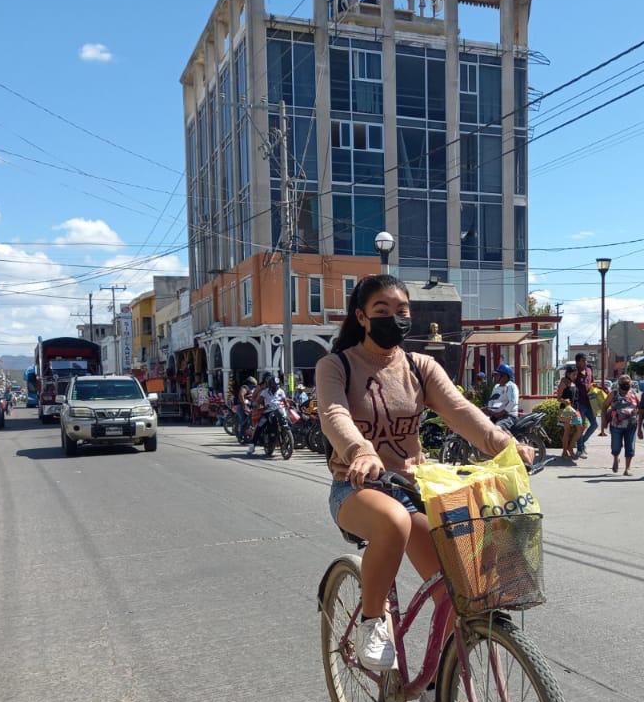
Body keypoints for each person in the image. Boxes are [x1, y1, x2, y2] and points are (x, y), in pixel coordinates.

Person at [316, 274, 535, 676]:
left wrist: (505, 445)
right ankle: (371, 623)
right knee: (393, 522)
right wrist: (361, 452)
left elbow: (463, 412)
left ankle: (444, 693)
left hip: (413, 487)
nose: (394, 319)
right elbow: (334, 415)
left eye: (401, 311)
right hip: (356, 485)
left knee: (458, 591)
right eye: (381, 311)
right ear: (361, 317)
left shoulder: (420, 367)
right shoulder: (337, 366)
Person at [602, 374, 640, 476]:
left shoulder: (634, 394)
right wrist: (603, 423)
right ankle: (615, 458)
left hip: (631, 426)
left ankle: (627, 468)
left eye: (627, 383)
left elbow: (641, 408)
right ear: (619, 384)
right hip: (616, 426)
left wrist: (638, 417)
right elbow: (604, 406)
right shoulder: (613, 394)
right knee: (615, 447)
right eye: (623, 383)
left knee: (630, 447)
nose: (625, 385)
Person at [246, 373, 287, 457]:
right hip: (268, 412)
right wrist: (258, 405)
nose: (275, 387)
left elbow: (285, 401)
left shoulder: (281, 391)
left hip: (280, 411)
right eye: (273, 386)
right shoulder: (264, 392)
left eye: (276, 385)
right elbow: (258, 401)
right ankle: (252, 446)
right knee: (259, 427)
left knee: (288, 422)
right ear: (270, 385)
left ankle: (288, 441)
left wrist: (289, 406)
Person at [572, 353, 598, 458]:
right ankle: (580, 450)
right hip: (579, 404)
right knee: (580, 427)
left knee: (595, 424)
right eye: (583, 360)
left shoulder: (589, 370)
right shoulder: (574, 372)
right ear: (577, 362)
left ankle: (582, 444)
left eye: (586, 360)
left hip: (590, 403)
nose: (585, 362)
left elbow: (592, 382)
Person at [555, 366, 581, 460]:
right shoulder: (564, 382)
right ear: (568, 373)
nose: (575, 376)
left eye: (576, 374)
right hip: (566, 409)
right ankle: (565, 451)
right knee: (567, 430)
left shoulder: (574, 382)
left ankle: (570, 448)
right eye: (573, 374)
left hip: (575, 409)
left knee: (580, 429)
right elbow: (558, 398)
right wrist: (564, 401)